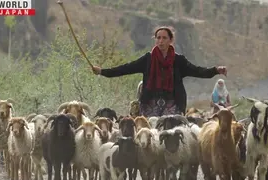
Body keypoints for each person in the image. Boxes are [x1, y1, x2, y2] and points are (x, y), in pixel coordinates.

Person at [92, 26, 227, 117]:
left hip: (173, 104)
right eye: (158, 37)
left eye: (164, 38)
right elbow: (125, 68)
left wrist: (215, 70)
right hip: (149, 104)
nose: (160, 41)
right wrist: (102, 72)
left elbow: (198, 71)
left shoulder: (178, 60)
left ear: (170, 40)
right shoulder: (148, 59)